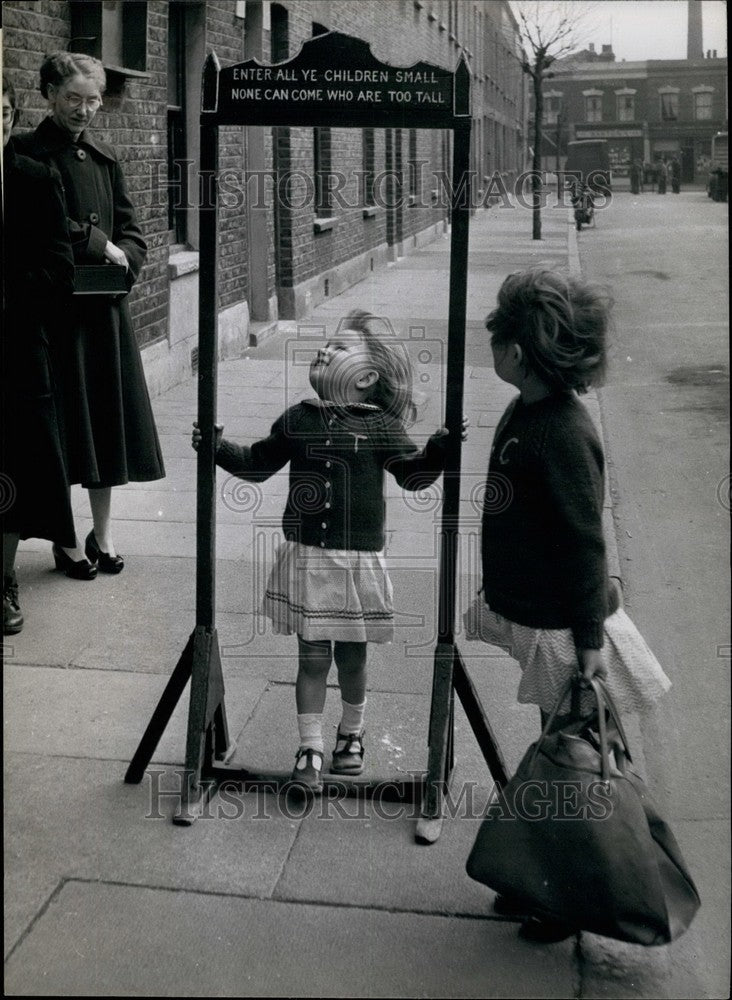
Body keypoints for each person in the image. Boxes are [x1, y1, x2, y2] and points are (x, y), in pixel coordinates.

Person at [463, 269, 671, 943]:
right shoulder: (528, 411)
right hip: (541, 615)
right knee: (560, 750)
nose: (490, 345)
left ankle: (564, 894)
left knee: (571, 761)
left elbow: (585, 544)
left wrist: (588, 643)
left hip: (565, 627)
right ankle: (547, 877)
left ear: (520, 352)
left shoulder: (563, 431)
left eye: (497, 336)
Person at [192, 310, 466, 792]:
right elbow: (257, 464)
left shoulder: (380, 426)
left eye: (339, 348)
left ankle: (351, 734)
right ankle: (311, 747)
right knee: (313, 660)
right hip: (309, 561)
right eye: (327, 344)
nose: (323, 350)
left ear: (366, 377)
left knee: (353, 660)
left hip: (357, 563)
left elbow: (414, 476)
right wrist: (217, 448)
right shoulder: (298, 418)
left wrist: (441, 450)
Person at [16, 52, 164, 579]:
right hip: (54, 314)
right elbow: (42, 224)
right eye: (73, 98)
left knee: (104, 423)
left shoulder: (105, 156)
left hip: (104, 313)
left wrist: (126, 263)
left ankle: (102, 536)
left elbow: (133, 230)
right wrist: (100, 243)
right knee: (61, 430)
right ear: (48, 95)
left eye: (93, 100)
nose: (83, 110)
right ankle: (65, 540)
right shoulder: (23, 153)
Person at [2, 75, 77, 634]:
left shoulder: (31, 179)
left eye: (2, 112)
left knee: (9, 466)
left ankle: (2, 579)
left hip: (13, 346)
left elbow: (59, 268)